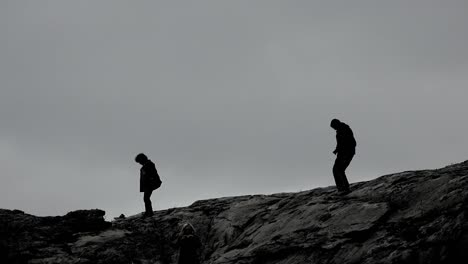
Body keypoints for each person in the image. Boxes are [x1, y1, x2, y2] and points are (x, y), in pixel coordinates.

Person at [330, 119, 356, 194]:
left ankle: (343, 188)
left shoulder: (344, 129)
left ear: (336, 124)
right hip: (345, 153)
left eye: (333, 127)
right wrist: (337, 150)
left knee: (337, 169)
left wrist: (343, 151)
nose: (334, 129)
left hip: (346, 153)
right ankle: (343, 188)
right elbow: (341, 143)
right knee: (338, 170)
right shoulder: (341, 130)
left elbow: (347, 142)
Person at [135, 153, 162, 217]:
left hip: (150, 184)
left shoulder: (149, 164)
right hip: (147, 184)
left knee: (146, 198)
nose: (139, 163)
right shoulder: (144, 166)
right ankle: (148, 212)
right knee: (146, 198)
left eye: (139, 161)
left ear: (142, 159)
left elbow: (152, 174)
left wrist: (151, 179)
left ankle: (149, 212)